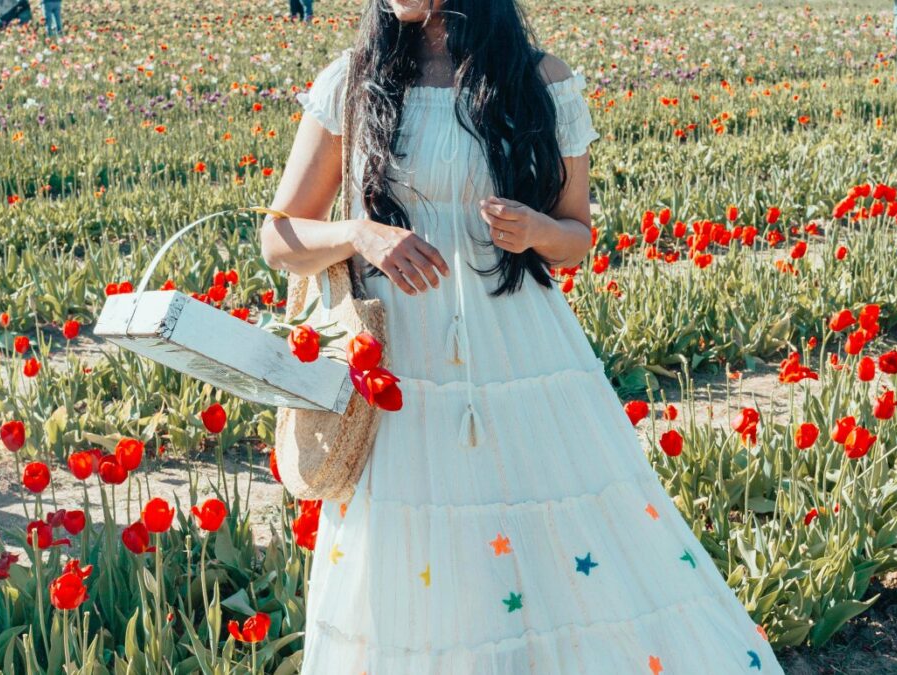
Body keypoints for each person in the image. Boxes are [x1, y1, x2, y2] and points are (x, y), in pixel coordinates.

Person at [261, 1, 788, 672]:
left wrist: (535, 230)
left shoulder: (538, 80)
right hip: (399, 369)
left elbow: (576, 234)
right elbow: (278, 236)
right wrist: (356, 233)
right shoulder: (352, 79)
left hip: (520, 348)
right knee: (413, 551)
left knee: (551, 545)